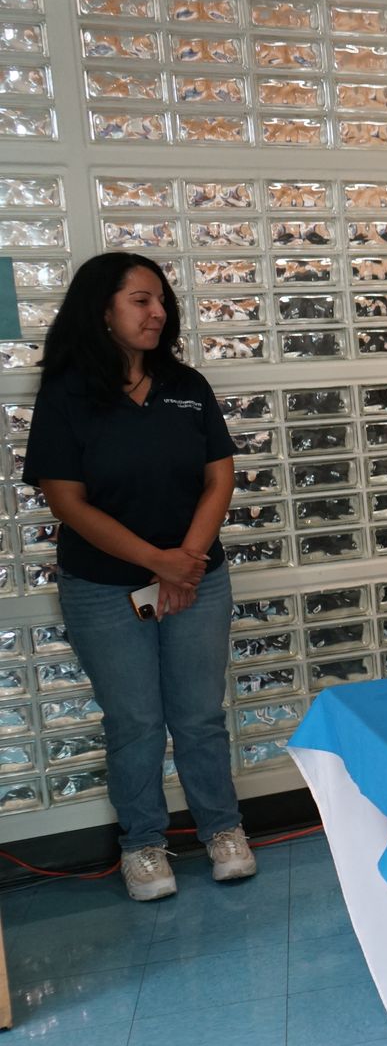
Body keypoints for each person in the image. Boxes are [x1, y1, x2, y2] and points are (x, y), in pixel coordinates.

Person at [22, 253, 254, 902]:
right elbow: (66, 501)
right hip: (105, 590)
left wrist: (188, 560)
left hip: (197, 577)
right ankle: (145, 845)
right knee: (136, 721)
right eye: (141, 301)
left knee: (199, 715)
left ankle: (222, 830)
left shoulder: (186, 386)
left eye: (161, 302)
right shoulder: (68, 395)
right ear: (104, 310)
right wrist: (161, 564)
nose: (158, 313)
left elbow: (220, 477)